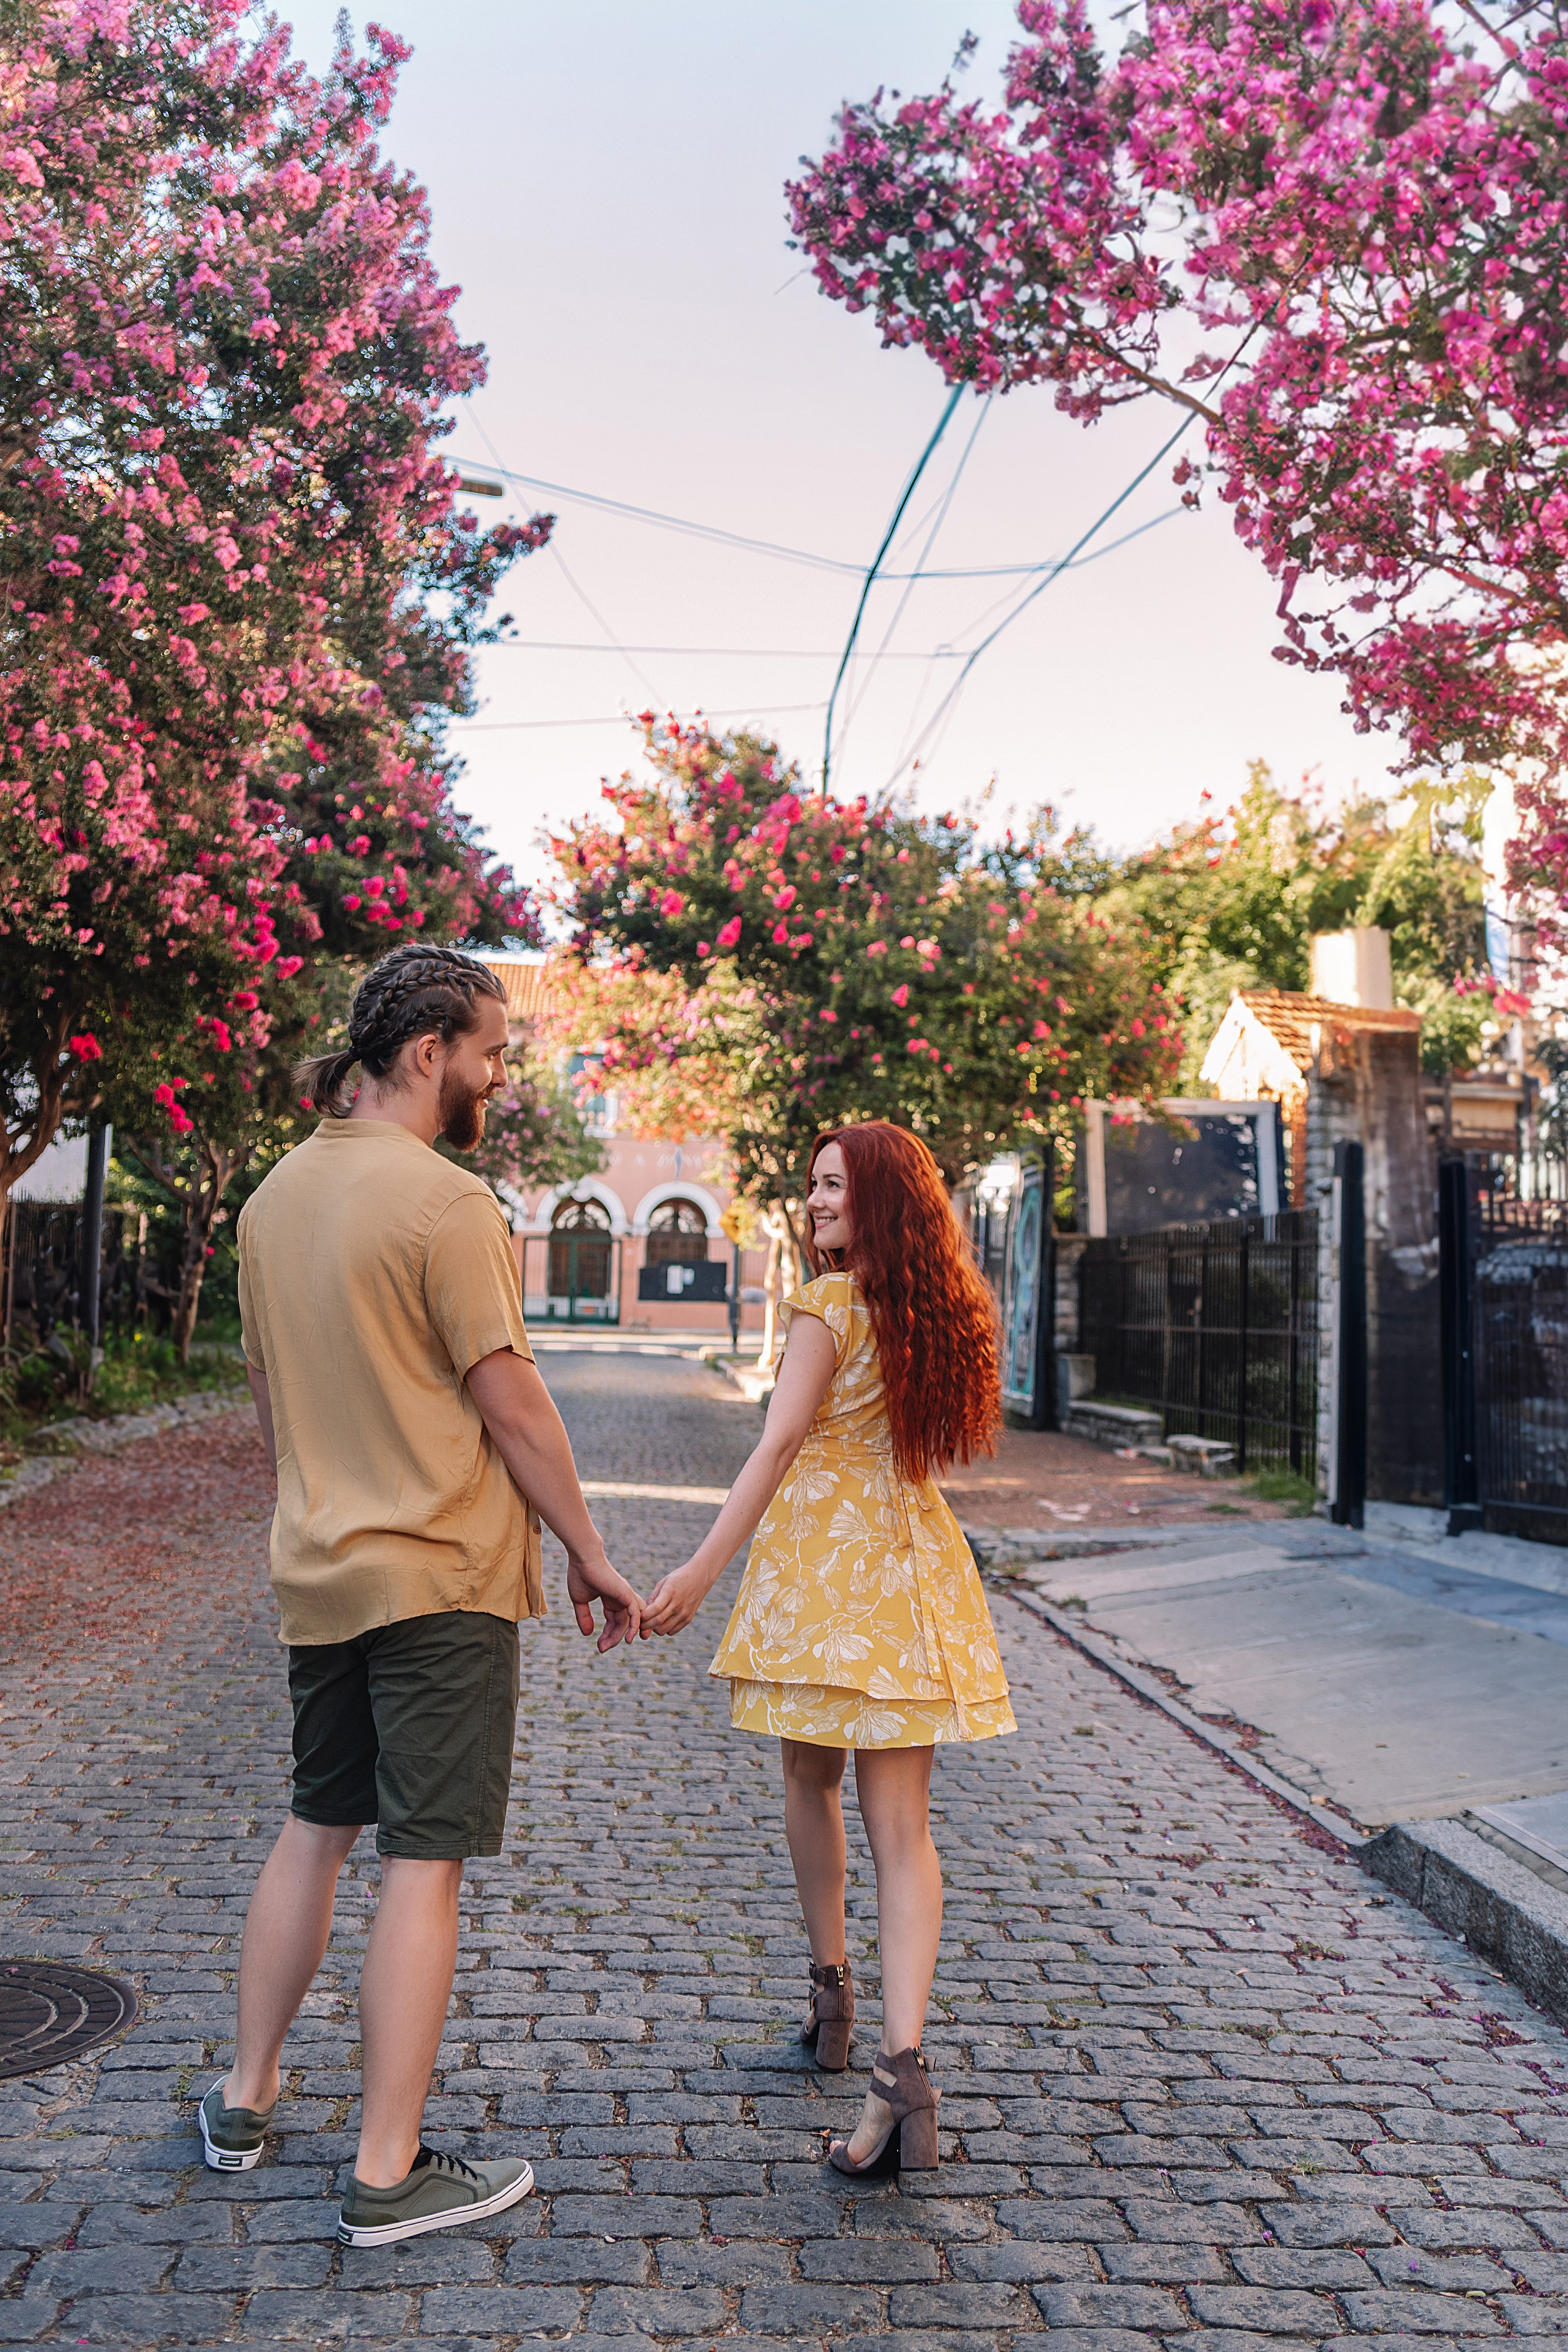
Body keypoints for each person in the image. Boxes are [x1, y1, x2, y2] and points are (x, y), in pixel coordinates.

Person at [205, 943, 643, 2247]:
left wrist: (315, 1505)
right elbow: (512, 1402)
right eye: (490, 1054)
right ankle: (387, 2171)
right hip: (439, 1576)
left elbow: (272, 1400)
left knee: (315, 1826)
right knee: (422, 1864)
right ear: (426, 1052)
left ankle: (242, 2100)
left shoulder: (272, 1200)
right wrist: (588, 1550)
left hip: (320, 1562)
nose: (499, 1078)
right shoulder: (446, 1204)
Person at [643, 1120, 1014, 2176]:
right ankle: (899, 2064)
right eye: (813, 1185)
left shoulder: (824, 1307)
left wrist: (699, 1572)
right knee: (906, 1832)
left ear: (879, 1202)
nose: (814, 1201)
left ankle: (832, 1994)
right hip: (914, 1579)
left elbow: (775, 1449)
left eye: (834, 1186)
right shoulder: (937, 1312)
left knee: (810, 1781)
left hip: (821, 1575)